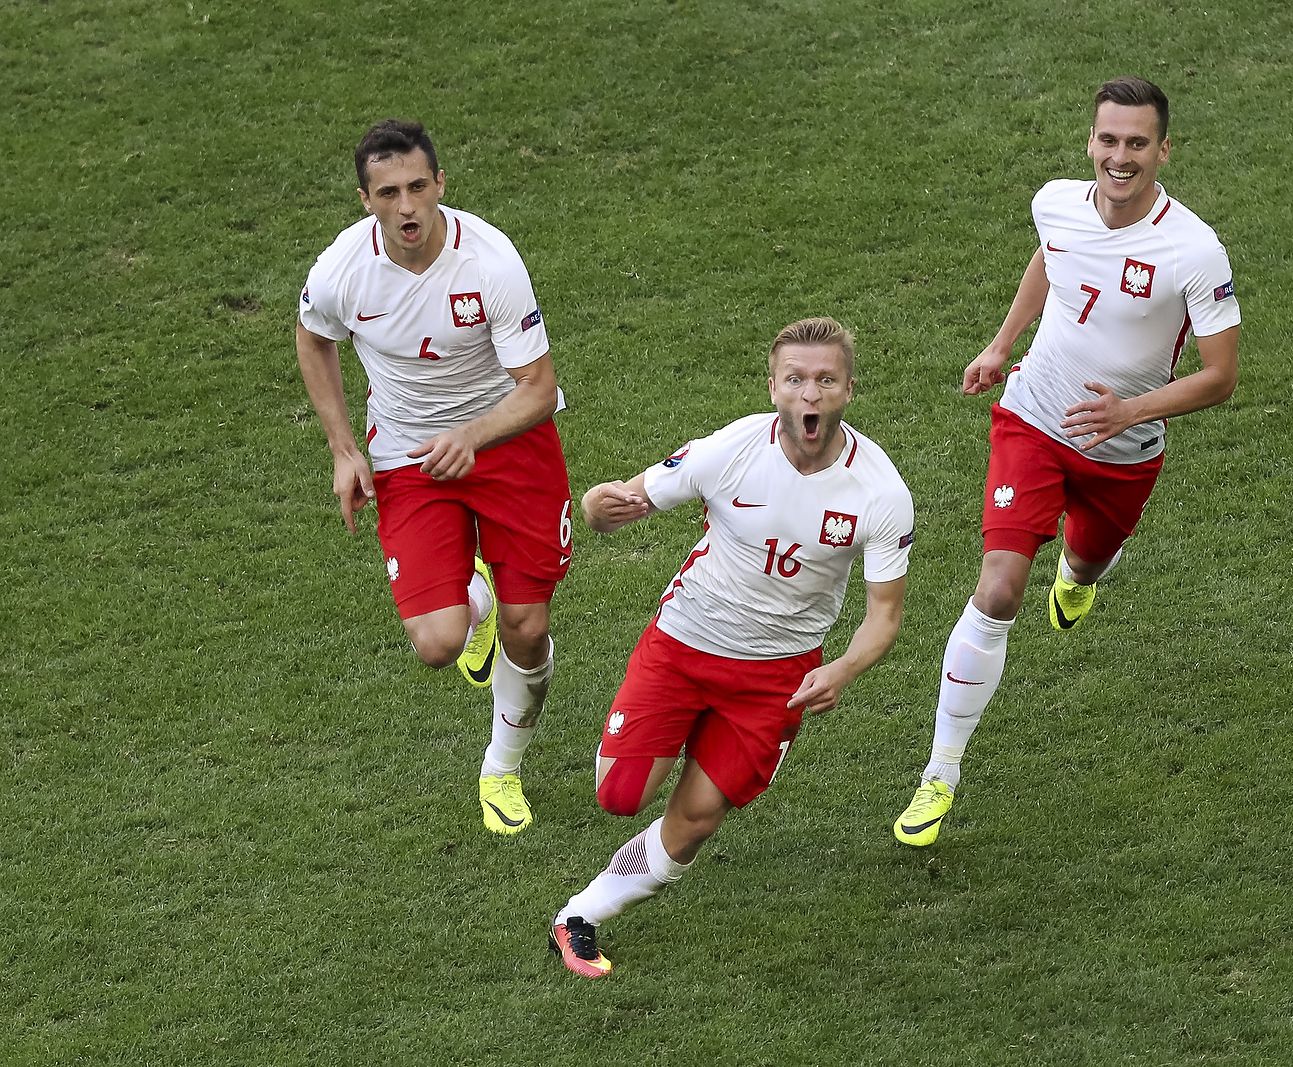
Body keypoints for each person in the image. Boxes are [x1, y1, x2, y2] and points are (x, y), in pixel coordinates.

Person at [892, 76, 1242, 846]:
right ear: (1091, 141)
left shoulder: (1194, 249)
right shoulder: (1055, 201)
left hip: (1124, 451)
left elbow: (1220, 376)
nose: (1120, 157)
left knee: (1087, 561)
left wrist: (1127, 411)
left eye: (1137, 144)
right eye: (1108, 140)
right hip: (1034, 420)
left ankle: (1080, 576)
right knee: (999, 585)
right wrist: (1000, 344)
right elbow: (1049, 260)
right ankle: (940, 772)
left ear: (1163, 151)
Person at [548, 317, 914, 978]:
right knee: (619, 795)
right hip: (685, 643)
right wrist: (601, 505)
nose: (810, 394)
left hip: (779, 677)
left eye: (825, 380)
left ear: (848, 389)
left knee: (693, 821)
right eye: (796, 378)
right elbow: (621, 500)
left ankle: (580, 915)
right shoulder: (732, 450)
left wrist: (842, 668)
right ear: (773, 385)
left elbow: (883, 617)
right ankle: (684, 731)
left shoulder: (880, 492)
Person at [295, 119, 573, 837]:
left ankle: (501, 767)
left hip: (509, 440)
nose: (408, 205)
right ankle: (469, 590)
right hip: (410, 458)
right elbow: (313, 335)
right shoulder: (340, 273)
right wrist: (342, 448)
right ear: (365, 200)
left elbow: (538, 389)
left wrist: (473, 435)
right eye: (389, 192)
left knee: (529, 628)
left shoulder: (491, 262)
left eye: (419, 186)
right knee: (437, 642)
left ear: (441, 184)